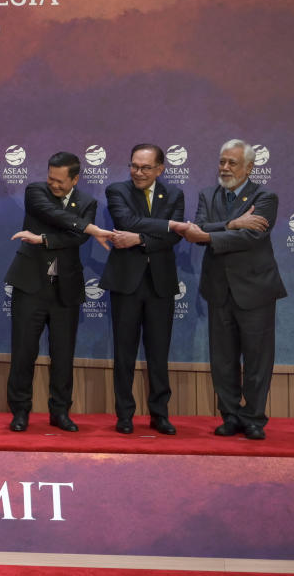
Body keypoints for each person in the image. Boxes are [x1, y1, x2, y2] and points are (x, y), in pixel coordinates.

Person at [176, 139, 286, 441]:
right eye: (222, 161)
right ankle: (229, 416)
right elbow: (194, 232)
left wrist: (216, 231)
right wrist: (233, 222)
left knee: (257, 359)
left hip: (255, 290)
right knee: (222, 359)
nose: (224, 168)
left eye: (232, 163)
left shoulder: (266, 196)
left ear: (249, 167)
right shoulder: (206, 194)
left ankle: (253, 419)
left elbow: (251, 236)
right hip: (218, 289)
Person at [5, 151, 111, 433]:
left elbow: (75, 238)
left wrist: (43, 239)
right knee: (23, 352)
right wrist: (87, 227)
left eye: (60, 181)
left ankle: (60, 412)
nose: (53, 184)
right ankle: (20, 412)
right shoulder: (35, 191)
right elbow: (53, 214)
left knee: (63, 355)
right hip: (30, 285)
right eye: (51, 177)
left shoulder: (88, 202)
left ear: (75, 179)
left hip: (66, 288)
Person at [100, 144, 184, 435]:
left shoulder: (174, 195)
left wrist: (140, 240)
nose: (138, 172)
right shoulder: (117, 190)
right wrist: (168, 225)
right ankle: (125, 415)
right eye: (134, 166)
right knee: (124, 353)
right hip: (126, 282)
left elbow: (174, 238)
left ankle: (160, 414)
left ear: (160, 169)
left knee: (158, 353)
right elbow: (126, 221)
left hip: (160, 283)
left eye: (146, 168)